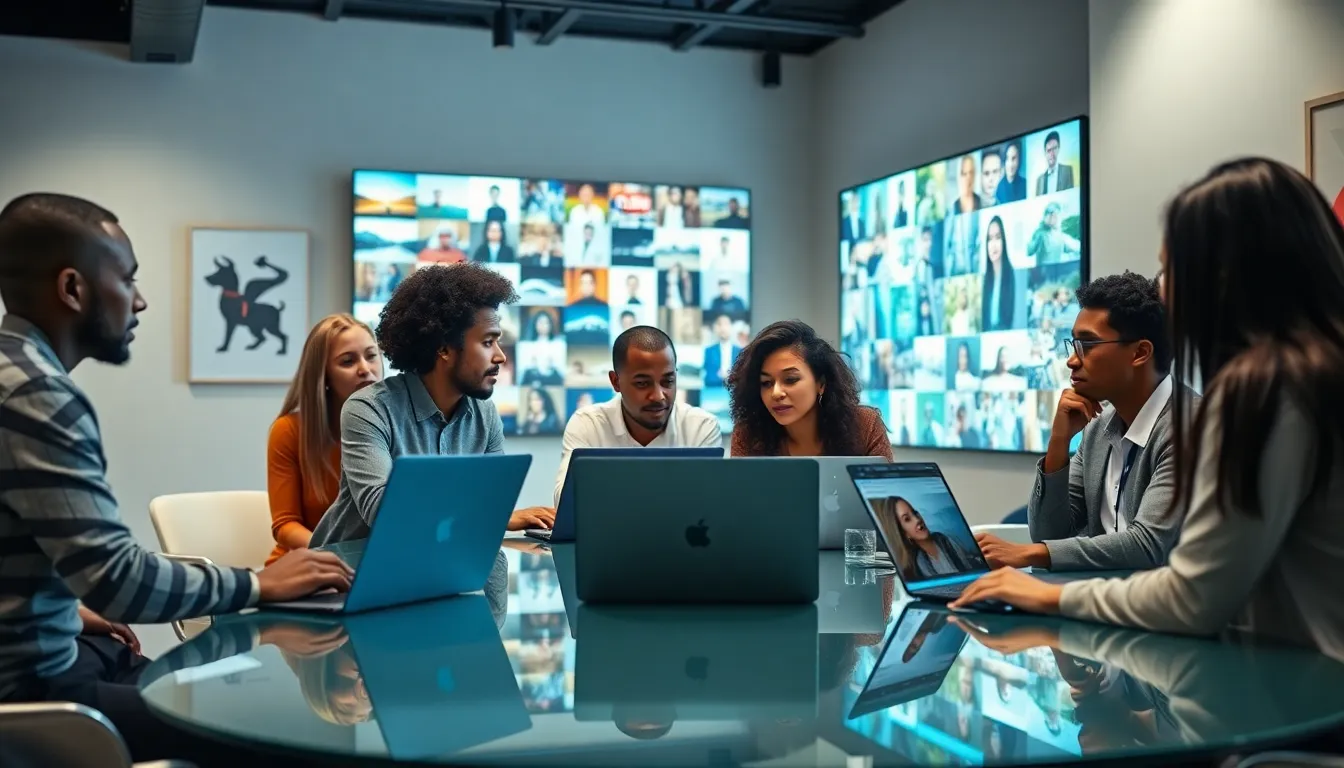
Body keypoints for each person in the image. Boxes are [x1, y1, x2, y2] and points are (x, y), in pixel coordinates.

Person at [0, 193, 353, 766]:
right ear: (72, 289)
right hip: (33, 686)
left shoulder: (13, 371)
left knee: (221, 685)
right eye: (127, 279)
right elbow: (118, 579)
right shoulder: (36, 394)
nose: (140, 301)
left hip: (68, 642)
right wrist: (260, 584)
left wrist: (65, 607)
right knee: (268, 730)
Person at [950, 158, 1344, 661]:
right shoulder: (1315, 374)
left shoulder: (1262, 390)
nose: (1165, 291)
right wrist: (1055, 447)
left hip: (1310, 711)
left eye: (1172, 269)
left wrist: (1047, 594)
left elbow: (1192, 595)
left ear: (1226, 275)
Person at [310, 263, 554, 546]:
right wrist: (495, 515)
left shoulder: (485, 415)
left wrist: (494, 514)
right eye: (488, 342)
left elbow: (491, 505)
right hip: (344, 573)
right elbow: (385, 512)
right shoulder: (368, 409)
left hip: (438, 562)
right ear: (443, 349)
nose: (500, 356)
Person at [976, 272, 1182, 573]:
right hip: (1102, 603)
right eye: (1073, 345)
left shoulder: (1190, 428)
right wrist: (1058, 444)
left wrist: (1031, 555)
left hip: (1168, 615)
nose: (1072, 360)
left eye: (1087, 345)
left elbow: (1148, 546)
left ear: (1140, 353)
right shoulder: (1098, 429)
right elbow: (1050, 534)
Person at [552, 326, 721, 505]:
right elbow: (566, 503)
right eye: (642, 383)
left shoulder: (701, 427)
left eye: (668, 381)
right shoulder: (588, 424)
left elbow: (707, 506)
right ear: (615, 382)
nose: (658, 396)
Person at [267, 314, 383, 565]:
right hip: (305, 565)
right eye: (348, 361)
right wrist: (336, 556)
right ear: (324, 376)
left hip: (372, 565)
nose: (365, 369)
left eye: (371, 356)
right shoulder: (289, 430)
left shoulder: (395, 424)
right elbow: (285, 525)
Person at [727, 320, 892, 458]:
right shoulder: (749, 435)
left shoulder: (864, 425)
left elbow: (886, 494)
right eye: (766, 383)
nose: (776, 393)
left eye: (790, 380)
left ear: (821, 383)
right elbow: (739, 496)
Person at [872, 497, 980, 580]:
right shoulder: (916, 564)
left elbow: (968, 568)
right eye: (907, 519)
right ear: (904, 533)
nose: (917, 519)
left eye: (915, 513)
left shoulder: (944, 540)